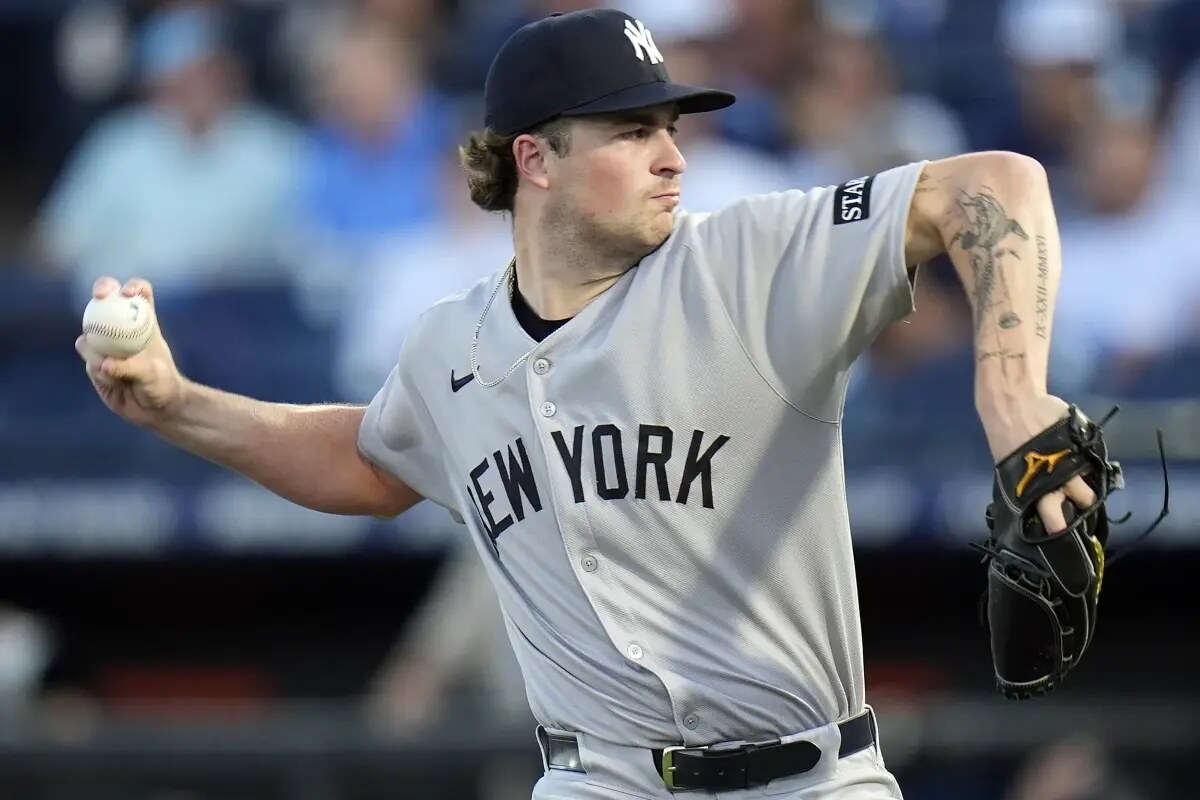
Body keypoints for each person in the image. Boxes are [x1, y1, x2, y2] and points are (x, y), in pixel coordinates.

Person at [75, 9, 1098, 799]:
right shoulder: (450, 349)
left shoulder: (749, 258)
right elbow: (368, 462)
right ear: (536, 158)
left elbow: (998, 185)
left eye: (671, 125)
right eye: (632, 128)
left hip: (812, 775)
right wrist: (174, 404)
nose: (673, 154)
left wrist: (1013, 393)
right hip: (594, 775)